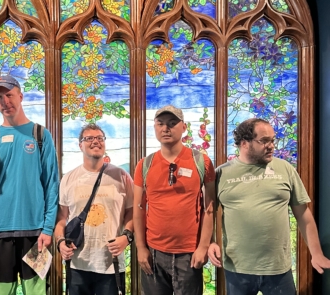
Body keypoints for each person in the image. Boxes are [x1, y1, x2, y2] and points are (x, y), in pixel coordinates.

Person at [208, 117, 330, 294]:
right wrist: (210, 242)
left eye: (272, 140)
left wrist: (316, 253)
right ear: (244, 143)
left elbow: (304, 215)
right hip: (237, 269)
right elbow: (208, 212)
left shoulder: (285, 169)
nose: (271, 145)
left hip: (278, 270)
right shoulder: (221, 173)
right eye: (264, 141)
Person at [0, 75, 59, 294]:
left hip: (35, 234)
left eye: (9, 95)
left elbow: (52, 184)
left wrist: (48, 228)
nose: (5, 101)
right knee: (0, 292)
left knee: (37, 291)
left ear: (20, 96)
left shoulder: (40, 135)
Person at [133, 105, 216, 295]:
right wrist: (140, 247)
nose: (165, 129)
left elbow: (210, 207)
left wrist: (203, 246)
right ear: (154, 128)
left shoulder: (201, 161)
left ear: (184, 127)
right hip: (154, 253)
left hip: (189, 254)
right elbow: (138, 209)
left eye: (172, 124)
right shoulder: (144, 165)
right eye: (160, 124)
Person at [54, 123, 134, 295]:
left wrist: (126, 237)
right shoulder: (68, 179)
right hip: (77, 263)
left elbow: (133, 212)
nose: (95, 142)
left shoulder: (121, 177)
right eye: (89, 138)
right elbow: (61, 218)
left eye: (100, 138)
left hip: (111, 264)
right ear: (80, 145)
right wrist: (60, 243)